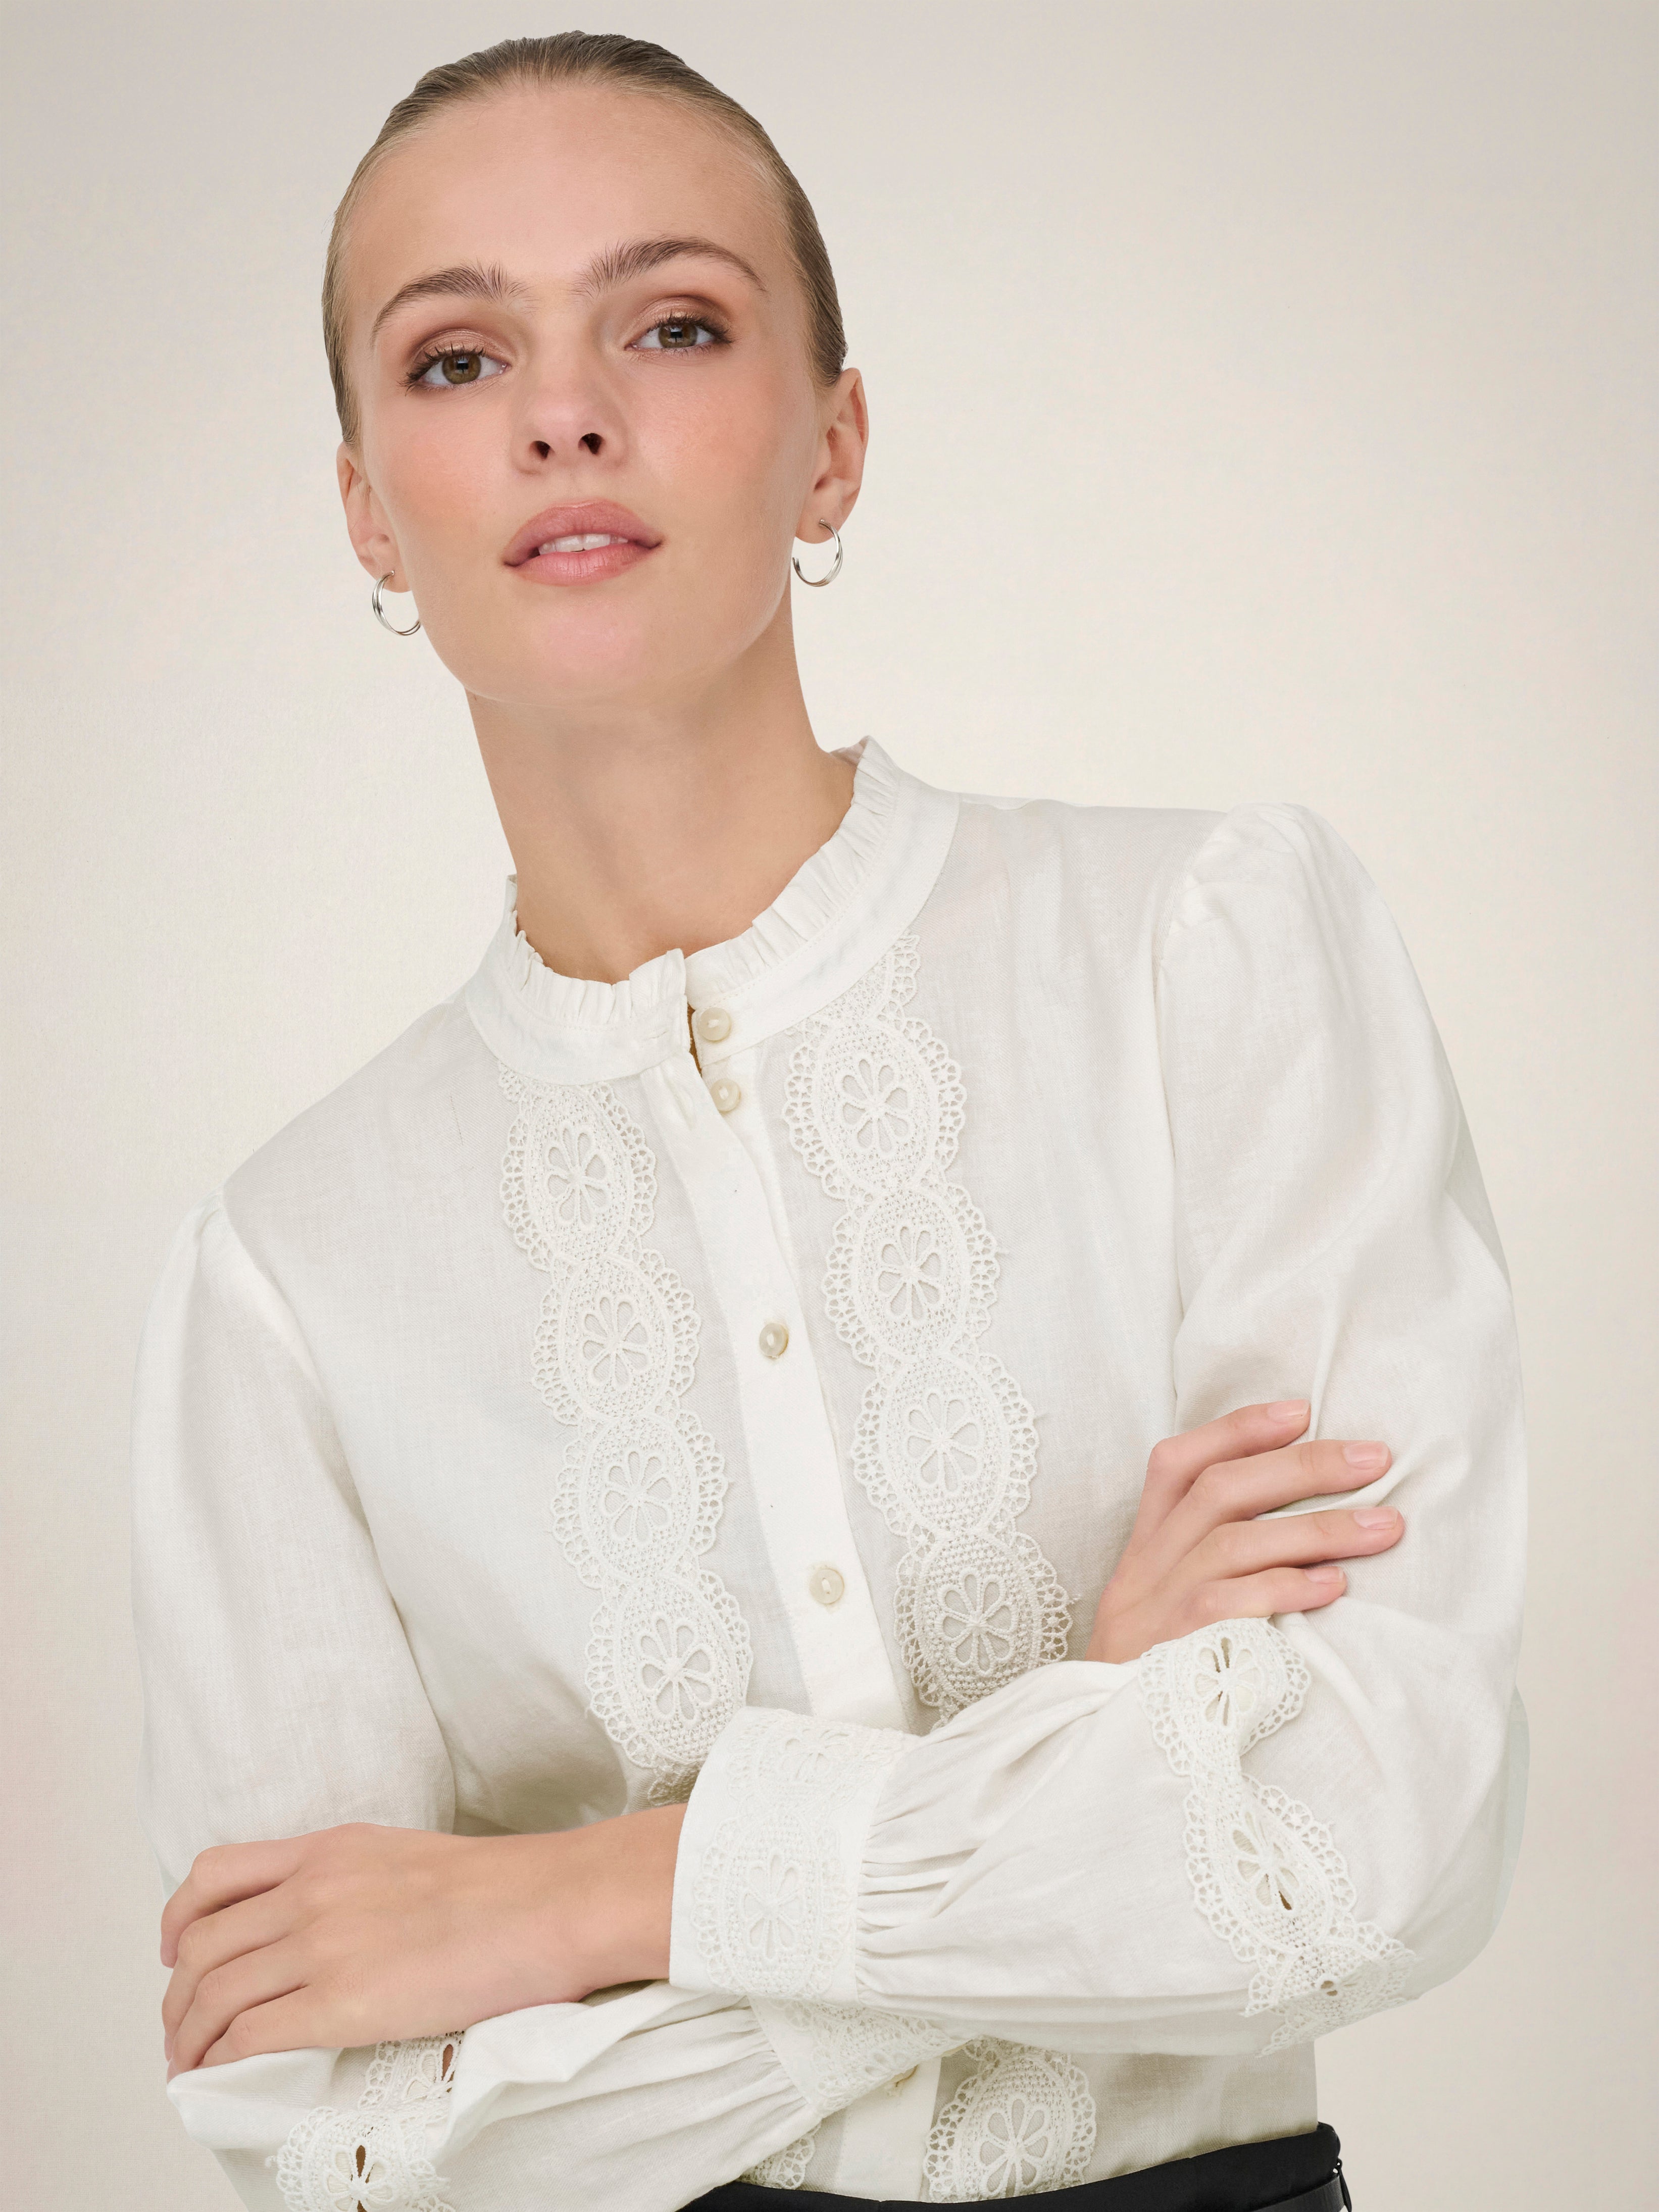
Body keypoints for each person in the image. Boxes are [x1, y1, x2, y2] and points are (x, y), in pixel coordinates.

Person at [130, 31, 1527, 2212]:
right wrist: (1089, 1745)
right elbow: (342, 2134)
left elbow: (1364, 1840)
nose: (564, 413)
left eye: (673, 325)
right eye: (457, 357)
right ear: (365, 507)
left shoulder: (1206, 952)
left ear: (834, 445)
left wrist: (578, 1901)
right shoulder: (288, 1275)